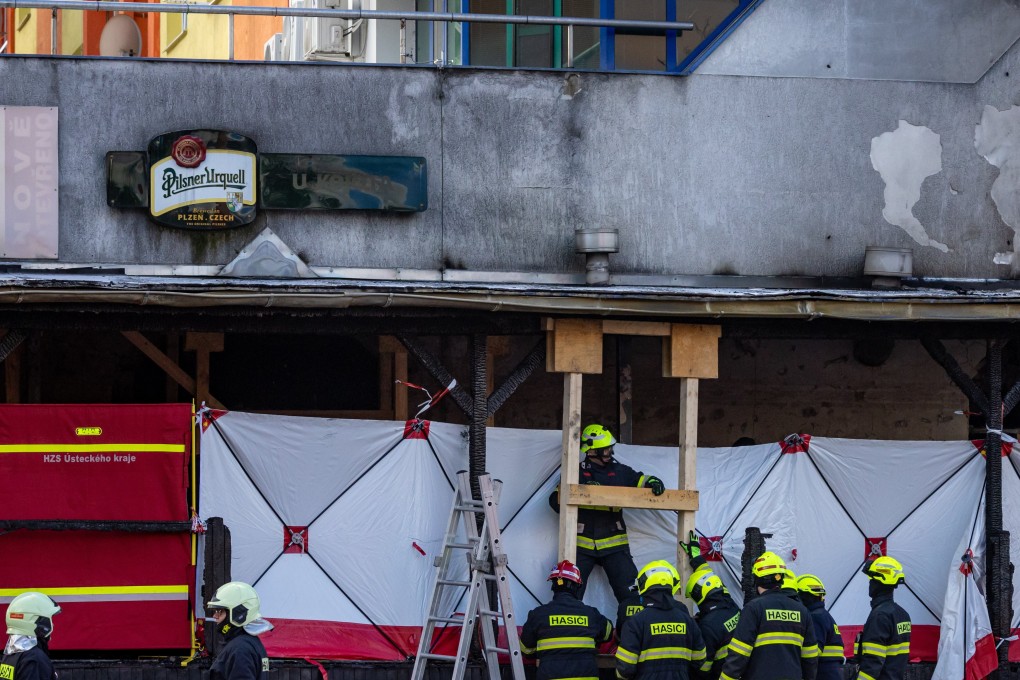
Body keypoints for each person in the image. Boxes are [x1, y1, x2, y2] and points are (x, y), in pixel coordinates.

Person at [549, 423, 666, 601]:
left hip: (614, 546)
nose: (610, 453)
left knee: (632, 596)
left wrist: (653, 481)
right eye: (605, 450)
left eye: (610, 449)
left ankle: (633, 627)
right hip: (581, 546)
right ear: (591, 451)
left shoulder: (619, 471)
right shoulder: (575, 472)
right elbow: (555, 501)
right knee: (568, 595)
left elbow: (640, 479)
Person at [719, 551, 818, 680]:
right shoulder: (802, 611)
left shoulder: (753, 609)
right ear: (782, 579)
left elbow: (739, 653)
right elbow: (810, 658)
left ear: (757, 579)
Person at [520, 560, 614, 680]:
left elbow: (526, 651)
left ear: (553, 585)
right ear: (577, 587)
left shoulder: (537, 615)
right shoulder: (591, 614)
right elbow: (609, 633)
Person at [616, 560, 706, 680]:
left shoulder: (636, 622)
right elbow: (699, 659)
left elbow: (625, 668)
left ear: (644, 586)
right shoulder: (687, 621)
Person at [683, 560, 740, 680]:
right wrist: (697, 559)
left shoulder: (707, 626)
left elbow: (704, 667)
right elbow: (710, 580)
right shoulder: (731, 605)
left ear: (699, 595)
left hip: (720, 674)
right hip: (739, 669)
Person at [856, 557, 910, 680]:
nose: (870, 583)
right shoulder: (903, 614)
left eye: (872, 579)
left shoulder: (880, 616)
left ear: (880, 581)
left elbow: (873, 663)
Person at [207, 581, 274, 680]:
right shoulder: (250, 643)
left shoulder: (240, 649)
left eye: (219, 611)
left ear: (237, 613)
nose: (215, 616)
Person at [1, 592, 61, 680]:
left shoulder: (10, 655)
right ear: (37, 621)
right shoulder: (34, 659)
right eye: (49, 619)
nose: (53, 624)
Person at [795, 575, 844, 680]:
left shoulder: (815, 617)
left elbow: (813, 653)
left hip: (823, 674)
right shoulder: (823, 615)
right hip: (832, 673)